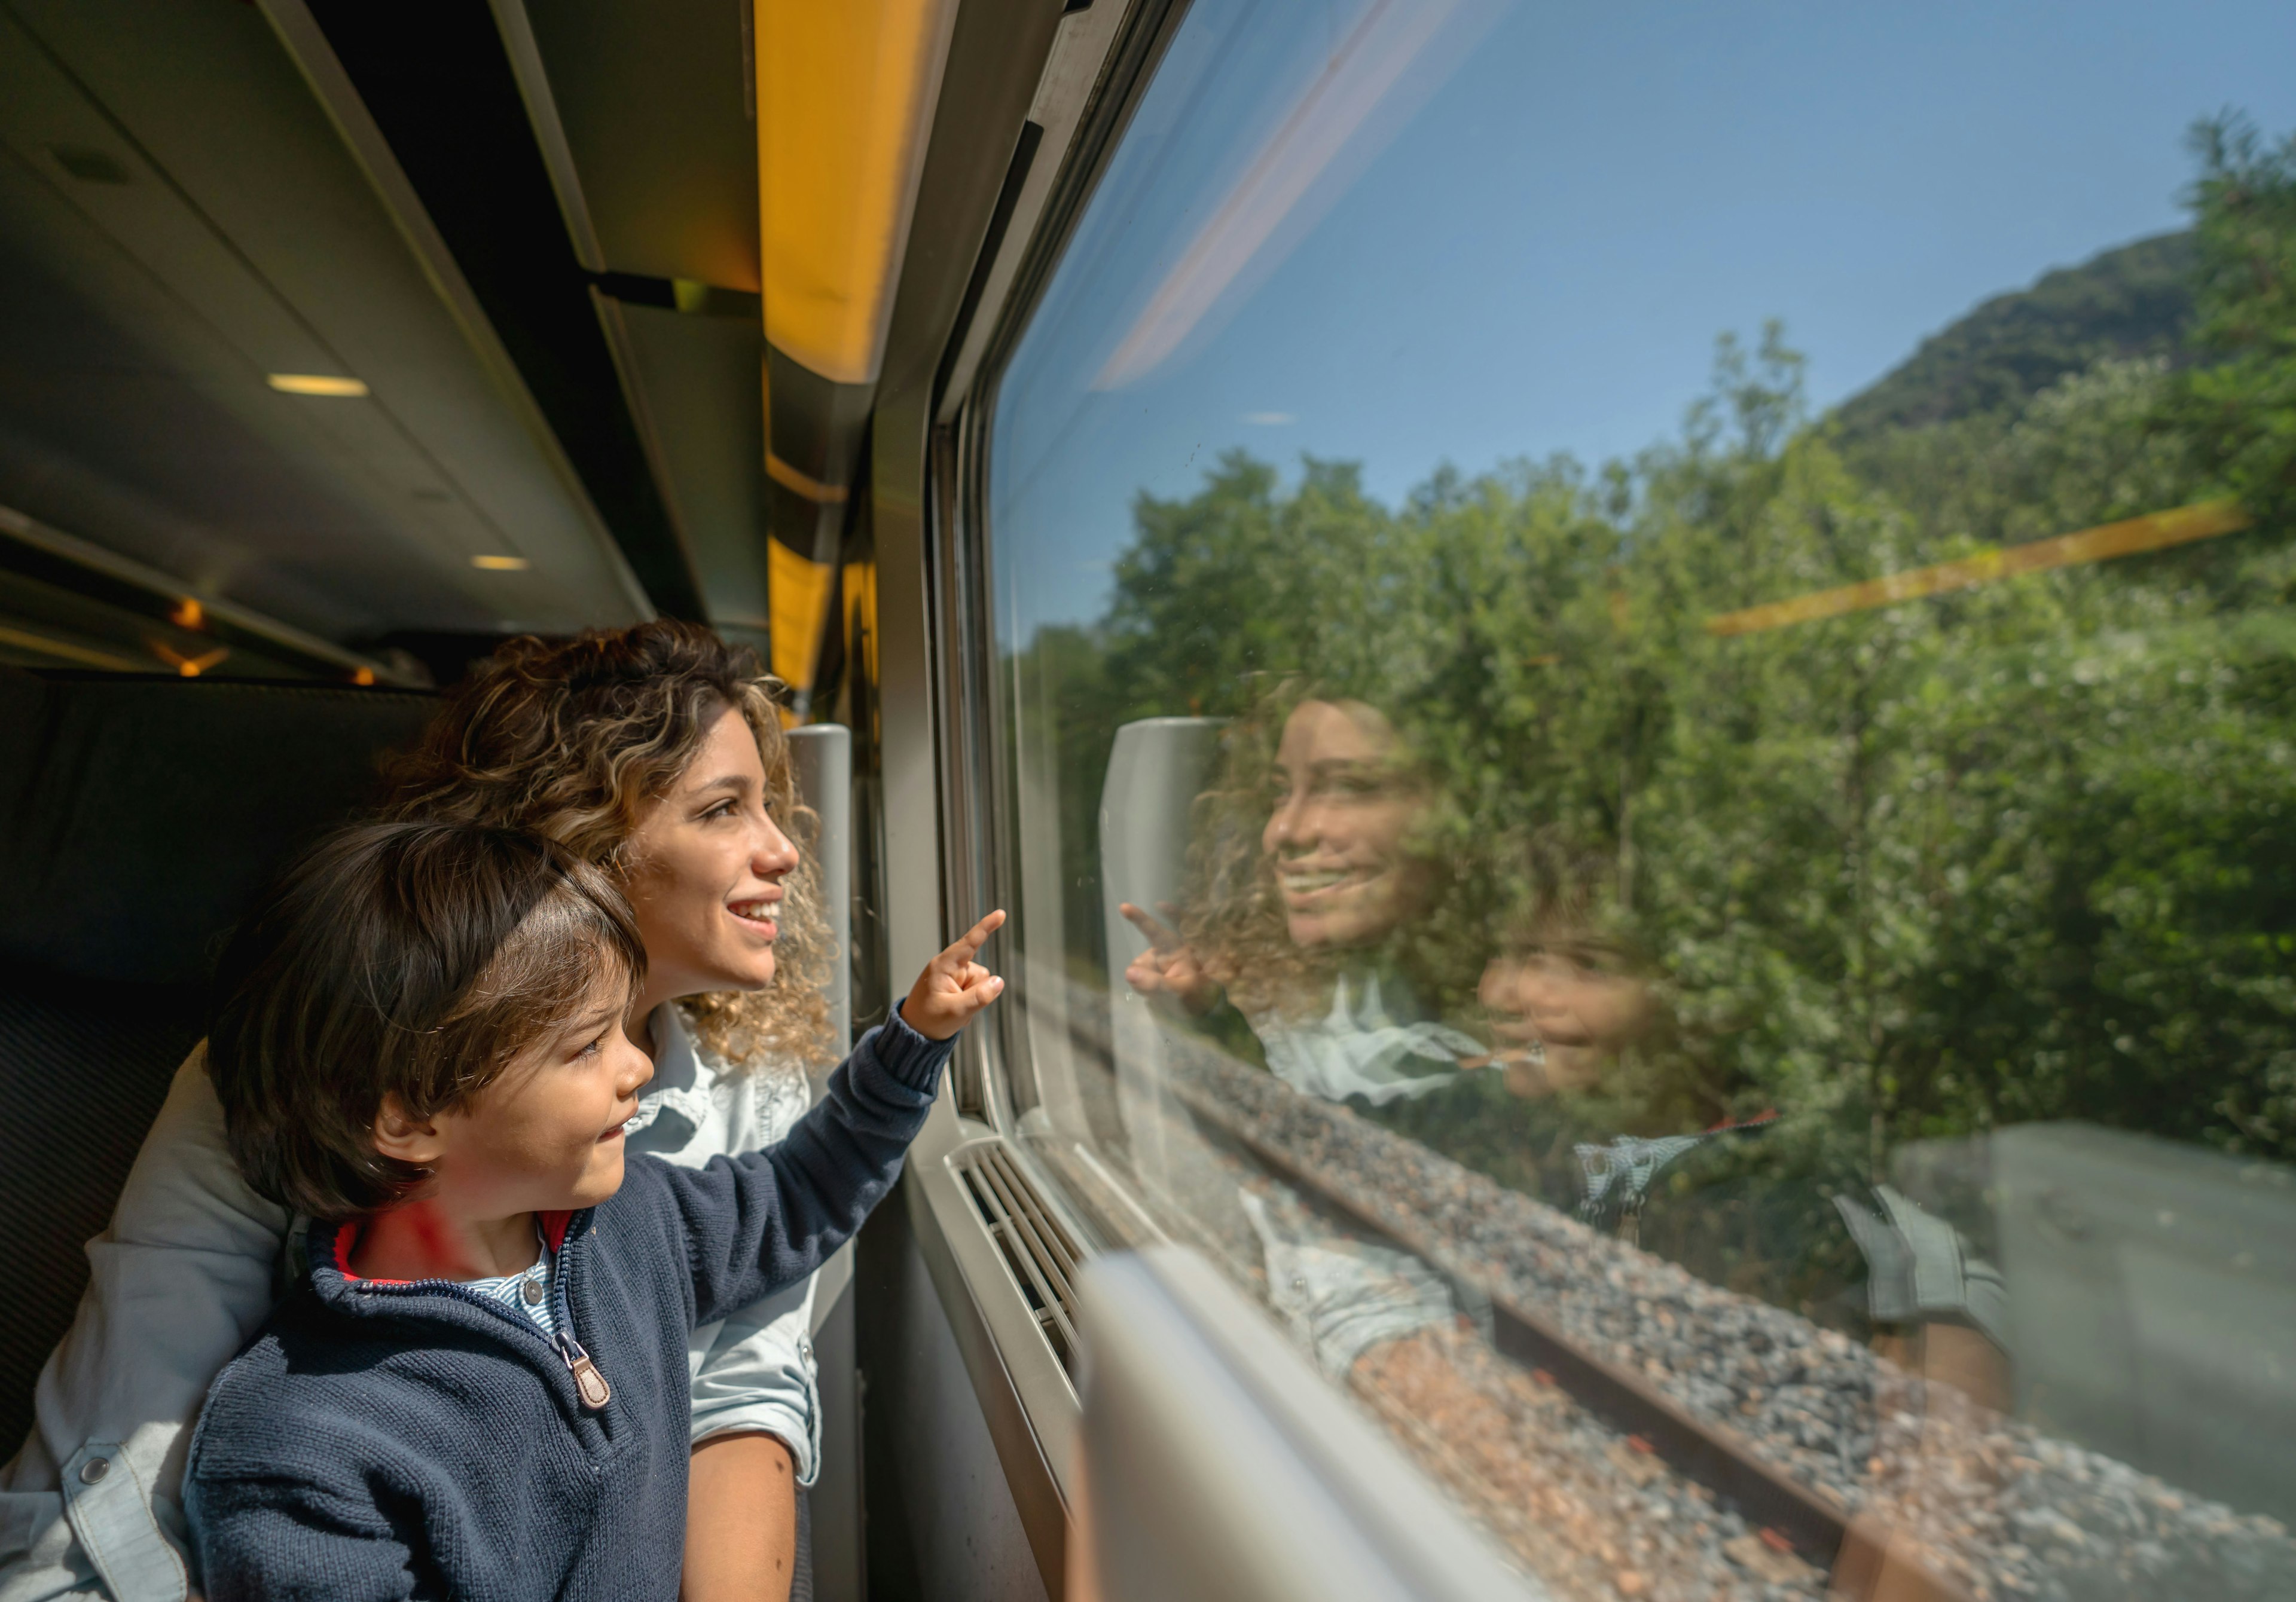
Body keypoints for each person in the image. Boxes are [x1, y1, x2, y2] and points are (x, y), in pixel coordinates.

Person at [0, 623, 842, 1602]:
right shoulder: (312, 1070)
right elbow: (128, 1433)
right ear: (585, 836)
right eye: (723, 810)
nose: (783, 850)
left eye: (769, 806)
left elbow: (739, 1396)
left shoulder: (758, 1093)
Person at [182, 820, 1004, 1600]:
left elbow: (797, 1195)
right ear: (407, 1119)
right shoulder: (300, 1447)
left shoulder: (636, 1228)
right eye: (586, 1046)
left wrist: (908, 1049)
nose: (639, 1065)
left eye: (625, 1027)